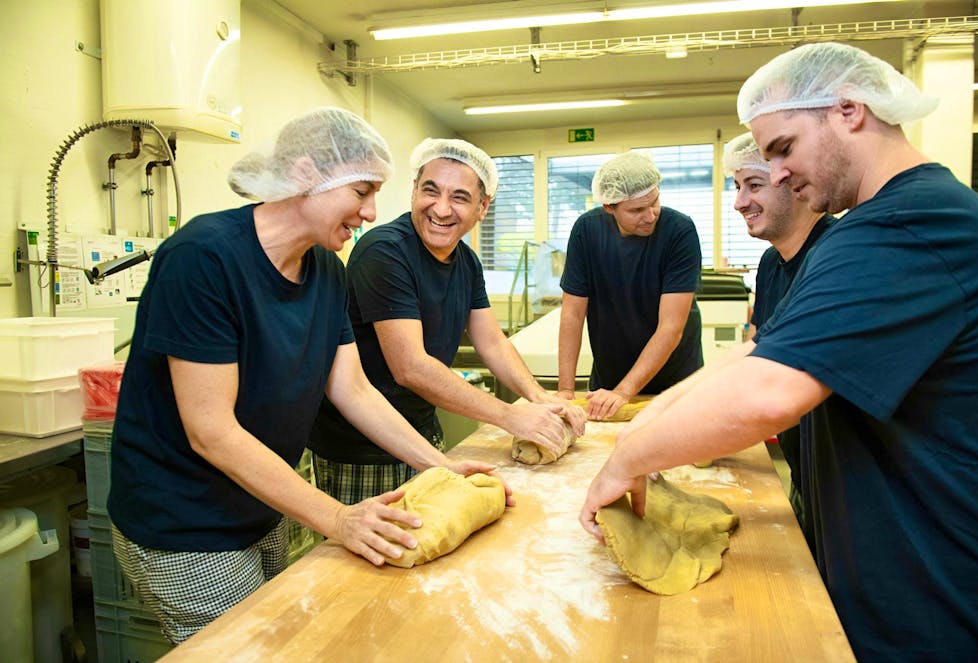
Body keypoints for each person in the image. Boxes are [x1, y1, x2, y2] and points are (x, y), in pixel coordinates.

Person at [580, 42, 978, 661]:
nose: (776, 176)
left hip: (931, 591)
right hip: (889, 573)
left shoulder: (911, 224)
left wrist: (626, 461)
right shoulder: (883, 224)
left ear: (848, 110)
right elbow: (761, 350)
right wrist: (657, 416)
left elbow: (769, 394)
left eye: (782, 148)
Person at [106, 109, 504, 644]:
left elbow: (354, 389)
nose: (370, 212)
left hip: (265, 505)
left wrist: (441, 468)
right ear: (305, 174)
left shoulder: (326, 271)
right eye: (361, 191)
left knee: (292, 643)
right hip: (185, 522)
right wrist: (338, 519)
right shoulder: (204, 257)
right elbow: (210, 431)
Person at [308, 138, 584, 505]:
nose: (440, 208)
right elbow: (411, 367)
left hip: (422, 433)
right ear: (413, 191)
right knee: (379, 541)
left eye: (459, 197)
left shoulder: (466, 262)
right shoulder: (385, 252)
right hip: (363, 449)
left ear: (482, 207)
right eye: (430, 190)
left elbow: (492, 341)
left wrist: (539, 397)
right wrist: (510, 416)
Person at [723, 131, 835, 545]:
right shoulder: (771, 263)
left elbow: (781, 386)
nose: (739, 202)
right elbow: (755, 358)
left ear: (794, 181)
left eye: (754, 185)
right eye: (737, 187)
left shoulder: (833, 255)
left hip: (847, 484)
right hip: (804, 471)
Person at [557, 150, 703, 421]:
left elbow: (671, 327)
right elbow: (572, 314)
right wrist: (565, 390)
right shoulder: (587, 231)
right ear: (609, 208)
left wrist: (624, 392)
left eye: (654, 201)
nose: (650, 216)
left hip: (676, 381)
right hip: (609, 382)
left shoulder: (679, 231)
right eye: (636, 210)